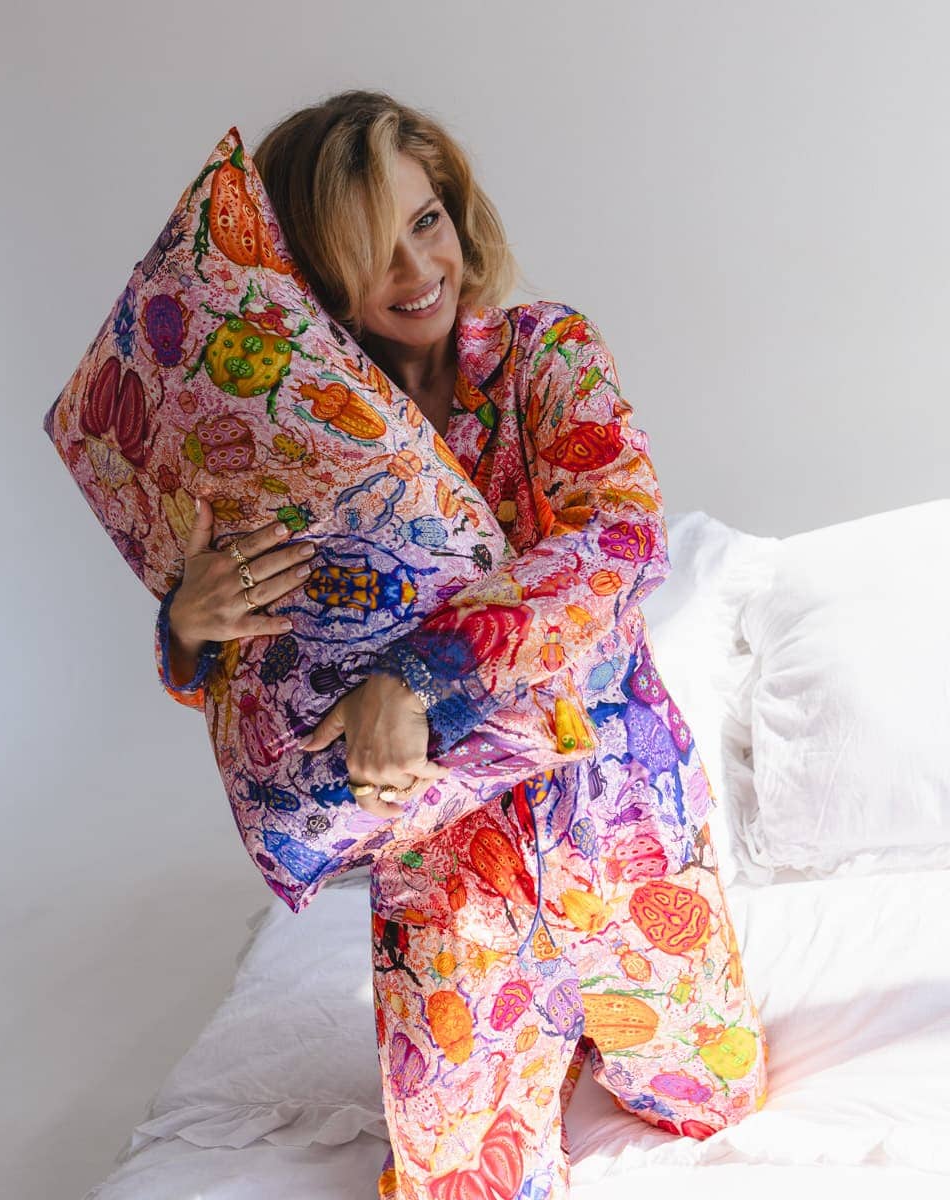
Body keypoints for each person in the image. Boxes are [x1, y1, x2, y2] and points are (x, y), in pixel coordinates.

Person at [156, 90, 770, 1200]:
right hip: (445, 874)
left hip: (619, 822)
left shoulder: (546, 353)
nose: (415, 271)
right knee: (461, 1188)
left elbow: (620, 541)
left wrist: (422, 675)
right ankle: (526, 1040)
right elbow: (274, 678)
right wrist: (188, 628)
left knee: (710, 1106)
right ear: (313, 282)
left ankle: (594, 1028)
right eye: (369, 252)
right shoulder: (290, 449)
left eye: (425, 221)